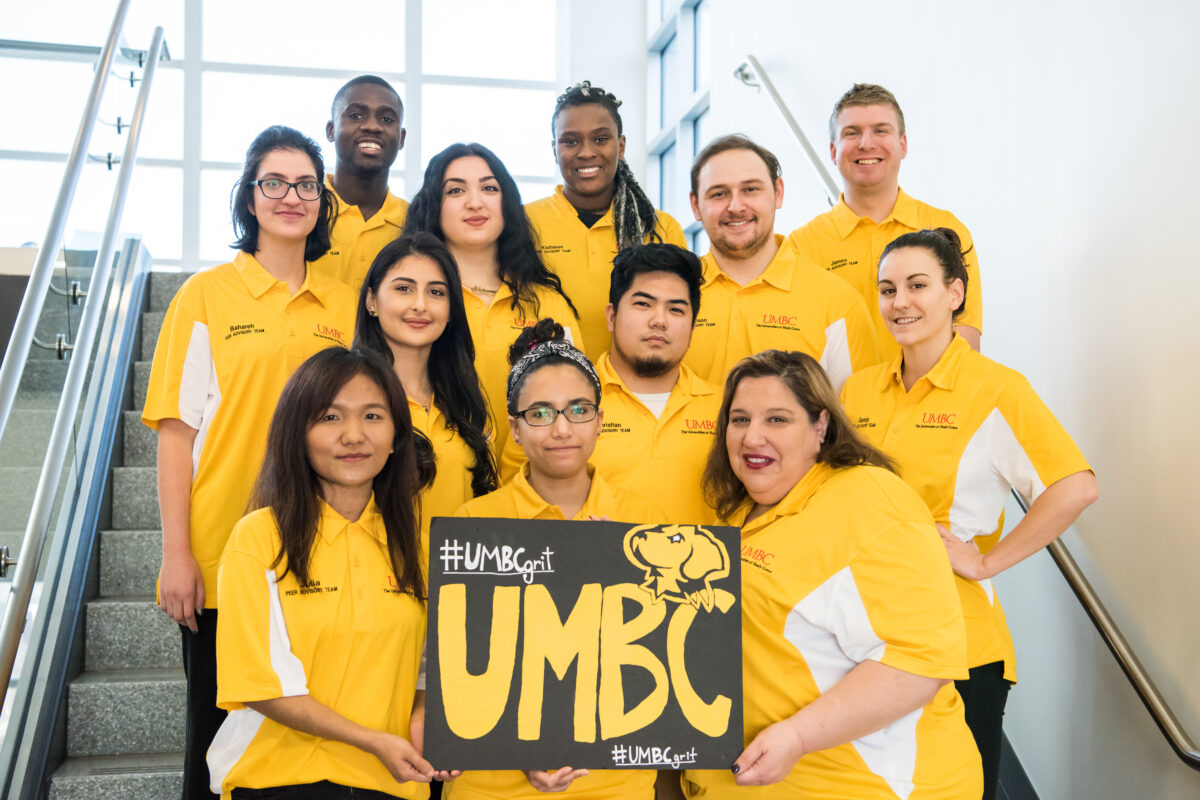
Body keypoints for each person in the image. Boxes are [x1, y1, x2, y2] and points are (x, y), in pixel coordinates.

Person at [840, 228, 1098, 799]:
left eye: (917, 285)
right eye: (887, 289)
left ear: (955, 293)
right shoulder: (858, 391)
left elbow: (1075, 486)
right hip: (863, 636)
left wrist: (985, 562)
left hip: (959, 644)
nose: (899, 302)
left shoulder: (995, 389)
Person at [142, 125, 357, 799]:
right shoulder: (205, 297)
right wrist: (177, 554)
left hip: (317, 550)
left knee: (301, 743)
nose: (290, 197)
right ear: (250, 195)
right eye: (274, 182)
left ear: (321, 202)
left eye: (305, 185)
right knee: (217, 742)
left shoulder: (346, 305)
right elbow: (176, 433)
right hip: (220, 553)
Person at [669, 350, 981, 799]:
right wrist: (611, 560)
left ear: (820, 427)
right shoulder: (738, 516)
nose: (752, 437)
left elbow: (921, 661)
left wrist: (798, 736)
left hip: (866, 787)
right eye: (739, 420)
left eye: (777, 419)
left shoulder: (870, 498)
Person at [208, 346, 455, 798]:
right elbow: (262, 687)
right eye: (330, 417)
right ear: (296, 433)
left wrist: (425, 720)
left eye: (373, 417)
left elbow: (428, 673)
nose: (354, 435)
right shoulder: (259, 539)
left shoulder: (417, 549)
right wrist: (371, 741)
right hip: (280, 780)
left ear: (398, 435)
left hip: (392, 785)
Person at [446, 319, 661, 800]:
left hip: (614, 784)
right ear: (515, 430)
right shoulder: (473, 524)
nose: (562, 429)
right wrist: (519, 752)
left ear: (600, 421)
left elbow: (662, 675)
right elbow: (457, 672)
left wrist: (627, 582)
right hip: (494, 785)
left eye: (578, 410)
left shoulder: (645, 524)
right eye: (540, 413)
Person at [500, 243, 720, 524]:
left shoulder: (726, 410)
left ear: (693, 324)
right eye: (643, 304)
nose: (659, 320)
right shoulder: (549, 403)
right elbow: (511, 513)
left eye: (676, 309)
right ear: (611, 316)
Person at [404, 142, 581, 456]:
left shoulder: (548, 304)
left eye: (489, 188)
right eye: (456, 191)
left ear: (507, 203)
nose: (475, 203)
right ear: (434, 205)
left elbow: (576, 404)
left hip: (531, 486)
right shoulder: (413, 301)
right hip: (436, 478)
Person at [787, 83, 983, 354]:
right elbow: (798, 348)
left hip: (928, 397)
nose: (866, 144)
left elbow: (965, 344)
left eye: (880, 130)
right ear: (833, 151)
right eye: (852, 133)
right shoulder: (801, 246)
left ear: (902, 145)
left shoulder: (948, 231)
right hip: (838, 398)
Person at [687, 134, 880, 390]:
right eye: (719, 194)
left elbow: (860, 418)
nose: (735, 206)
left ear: (778, 192)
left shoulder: (837, 303)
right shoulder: (672, 297)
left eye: (751, 190)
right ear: (696, 206)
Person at [526, 80, 688, 359]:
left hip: (635, 392)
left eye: (601, 139)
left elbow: (680, 320)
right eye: (570, 141)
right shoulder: (522, 223)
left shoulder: (659, 230)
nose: (586, 152)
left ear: (621, 146)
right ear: (554, 149)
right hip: (547, 394)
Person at [354, 232, 497, 542]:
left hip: (459, 583)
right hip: (379, 584)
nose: (420, 305)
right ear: (371, 301)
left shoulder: (465, 398)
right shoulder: (348, 398)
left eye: (436, 292)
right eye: (404, 289)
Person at [311, 75, 408, 290]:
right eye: (355, 115)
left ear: (401, 139)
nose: (372, 126)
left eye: (387, 119)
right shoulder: (301, 209)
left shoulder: (416, 222)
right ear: (331, 130)